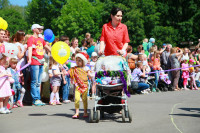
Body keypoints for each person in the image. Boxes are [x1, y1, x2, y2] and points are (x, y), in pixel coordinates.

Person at [27, 24, 51, 106]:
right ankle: (35, 99)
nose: (41, 30)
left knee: (38, 82)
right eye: (39, 28)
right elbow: (30, 49)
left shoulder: (41, 39)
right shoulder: (31, 39)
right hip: (34, 61)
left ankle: (38, 99)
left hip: (41, 62)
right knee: (35, 81)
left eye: (41, 29)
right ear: (34, 29)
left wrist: (55, 53)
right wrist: (29, 59)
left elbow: (47, 47)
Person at [68, 52, 91, 119]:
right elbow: (69, 72)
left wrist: (90, 75)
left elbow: (89, 74)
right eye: (77, 60)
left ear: (83, 61)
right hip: (78, 86)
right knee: (77, 99)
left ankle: (85, 112)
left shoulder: (86, 68)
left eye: (79, 60)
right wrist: (64, 71)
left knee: (84, 99)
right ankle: (77, 112)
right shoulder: (74, 68)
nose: (77, 62)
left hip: (85, 85)